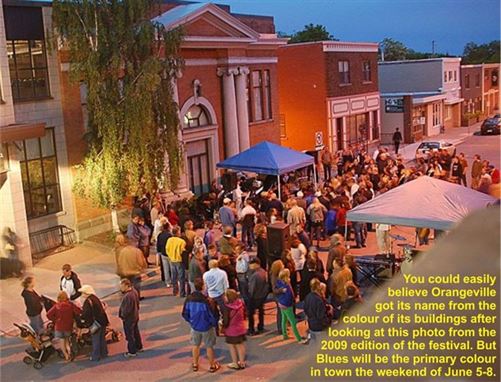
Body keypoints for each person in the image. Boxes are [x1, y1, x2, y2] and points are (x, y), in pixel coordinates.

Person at [182, 278, 220, 373]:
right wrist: (213, 324)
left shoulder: (189, 298)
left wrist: (191, 321)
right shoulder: (207, 300)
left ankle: (195, 364)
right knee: (209, 346)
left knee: (195, 345)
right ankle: (212, 365)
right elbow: (213, 315)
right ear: (203, 286)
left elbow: (185, 313)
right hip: (207, 326)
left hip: (195, 326)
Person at [47, 291, 82, 361]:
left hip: (59, 327)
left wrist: (55, 320)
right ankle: (69, 351)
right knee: (67, 340)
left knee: (61, 341)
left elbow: (48, 314)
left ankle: (66, 355)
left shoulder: (56, 306)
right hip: (68, 326)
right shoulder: (70, 305)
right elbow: (79, 311)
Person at [275, 269, 308, 344]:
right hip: (287, 305)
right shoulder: (286, 286)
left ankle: (285, 335)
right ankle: (299, 339)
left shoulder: (279, 283)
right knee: (293, 322)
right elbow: (289, 296)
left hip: (281, 304)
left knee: (284, 319)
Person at [79, 285, 109, 361]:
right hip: (102, 321)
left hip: (95, 324)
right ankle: (104, 353)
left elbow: (86, 314)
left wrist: (82, 319)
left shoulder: (87, 301)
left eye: (83, 292)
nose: (82, 294)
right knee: (102, 338)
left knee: (95, 339)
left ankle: (96, 356)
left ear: (86, 292)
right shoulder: (95, 298)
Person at [115, 234, 147, 300]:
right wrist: (143, 268)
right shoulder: (137, 251)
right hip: (135, 272)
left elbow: (120, 262)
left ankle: (126, 297)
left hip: (125, 272)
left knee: (125, 284)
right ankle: (136, 297)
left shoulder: (122, 251)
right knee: (136, 286)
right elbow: (141, 262)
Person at [223, 289, 247, 370]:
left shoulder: (227, 308)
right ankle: (242, 362)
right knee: (240, 345)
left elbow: (226, 321)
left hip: (231, 330)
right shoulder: (241, 304)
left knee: (232, 346)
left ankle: (235, 363)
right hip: (240, 328)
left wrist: (223, 326)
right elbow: (245, 314)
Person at [119, 278, 143, 358]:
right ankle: (139, 346)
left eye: (122, 286)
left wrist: (122, 316)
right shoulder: (134, 292)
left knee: (129, 335)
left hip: (129, 318)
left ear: (126, 285)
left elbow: (126, 310)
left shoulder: (128, 296)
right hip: (135, 316)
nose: (120, 288)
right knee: (136, 332)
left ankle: (132, 351)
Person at [247, 258, 268, 336]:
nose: (250, 266)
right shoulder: (263, 272)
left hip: (254, 297)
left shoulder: (255, 275)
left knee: (251, 314)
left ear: (256, 264)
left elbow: (252, 288)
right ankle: (261, 326)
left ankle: (251, 329)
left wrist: (250, 296)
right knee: (261, 311)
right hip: (262, 296)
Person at [166, 227, 187, 297]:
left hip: (172, 260)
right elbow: (183, 252)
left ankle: (175, 291)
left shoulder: (169, 240)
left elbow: (167, 250)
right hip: (179, 260)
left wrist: (170, 256)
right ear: (178, 232)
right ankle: (182, 293)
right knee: (181, 277)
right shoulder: (182, 241)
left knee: (174, 277)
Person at [156, 223, 172, 287]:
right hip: (169, 253)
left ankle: (167, 282)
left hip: (163, 253)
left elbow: (158, 244)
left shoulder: (160, 235)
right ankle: (173, 280)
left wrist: (159, 251)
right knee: (171, 268)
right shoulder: (169, 235)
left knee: (165, 269)